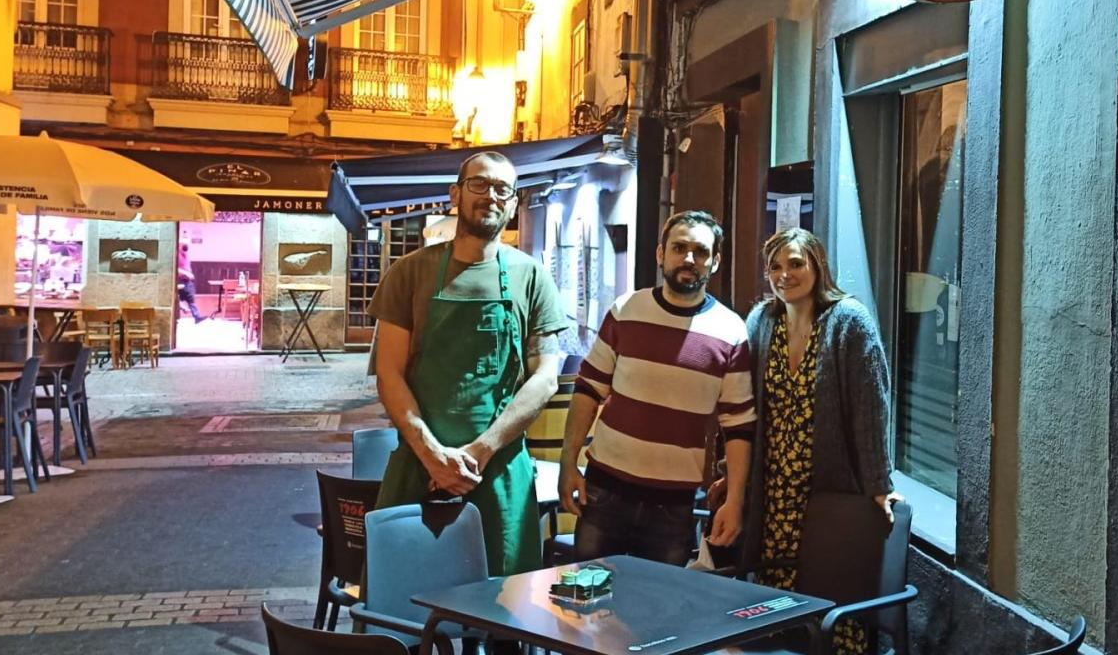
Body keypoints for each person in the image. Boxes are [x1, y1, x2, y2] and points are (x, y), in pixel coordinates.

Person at [370, 151, 567, 576]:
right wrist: (432, 455)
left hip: (499, 475)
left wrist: (480, 450)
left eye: (502, 189)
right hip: (418, 467)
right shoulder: (408, 273)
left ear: (513, 203)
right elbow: (389, 374)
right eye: (479, 184)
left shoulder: (532, 278)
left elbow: (545, 378)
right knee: (404, 610)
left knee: (505, 615)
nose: (490, 196)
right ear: (455, 194)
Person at [723, 227, 898, 655]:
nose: (785, 275)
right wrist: (731, 479)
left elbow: (871, 407)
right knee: (775, 603)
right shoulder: (761, 322)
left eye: (796, 263)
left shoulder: (848, 322)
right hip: (775, 489)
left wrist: (879, 484)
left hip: (830, 489)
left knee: (832, 599)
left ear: (818, 265)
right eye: (775, 267)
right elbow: (739, 406)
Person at [558, 210, 754, 566]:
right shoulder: (625, 310)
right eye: (679, 248)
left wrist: (735, 500)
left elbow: (739, 425)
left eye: (701, 251)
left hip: (673, 506)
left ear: (715, 262)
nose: (689, 259)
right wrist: (568, 463)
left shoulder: (731, 331)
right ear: (661, 253)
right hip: (605, 491)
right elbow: (588, 391)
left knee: (659, 613)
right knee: (587, 609)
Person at [175, 243, 204, 323]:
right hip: (180, 280)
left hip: (188, 281)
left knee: (191, 298)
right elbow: (175, 268)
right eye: (183, 245)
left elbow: (187, 266)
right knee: (177, 298)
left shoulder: (186, 255)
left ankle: (197, 316)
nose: (185, 247)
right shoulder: (176, 255)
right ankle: (179, 313)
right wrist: (186, 274)